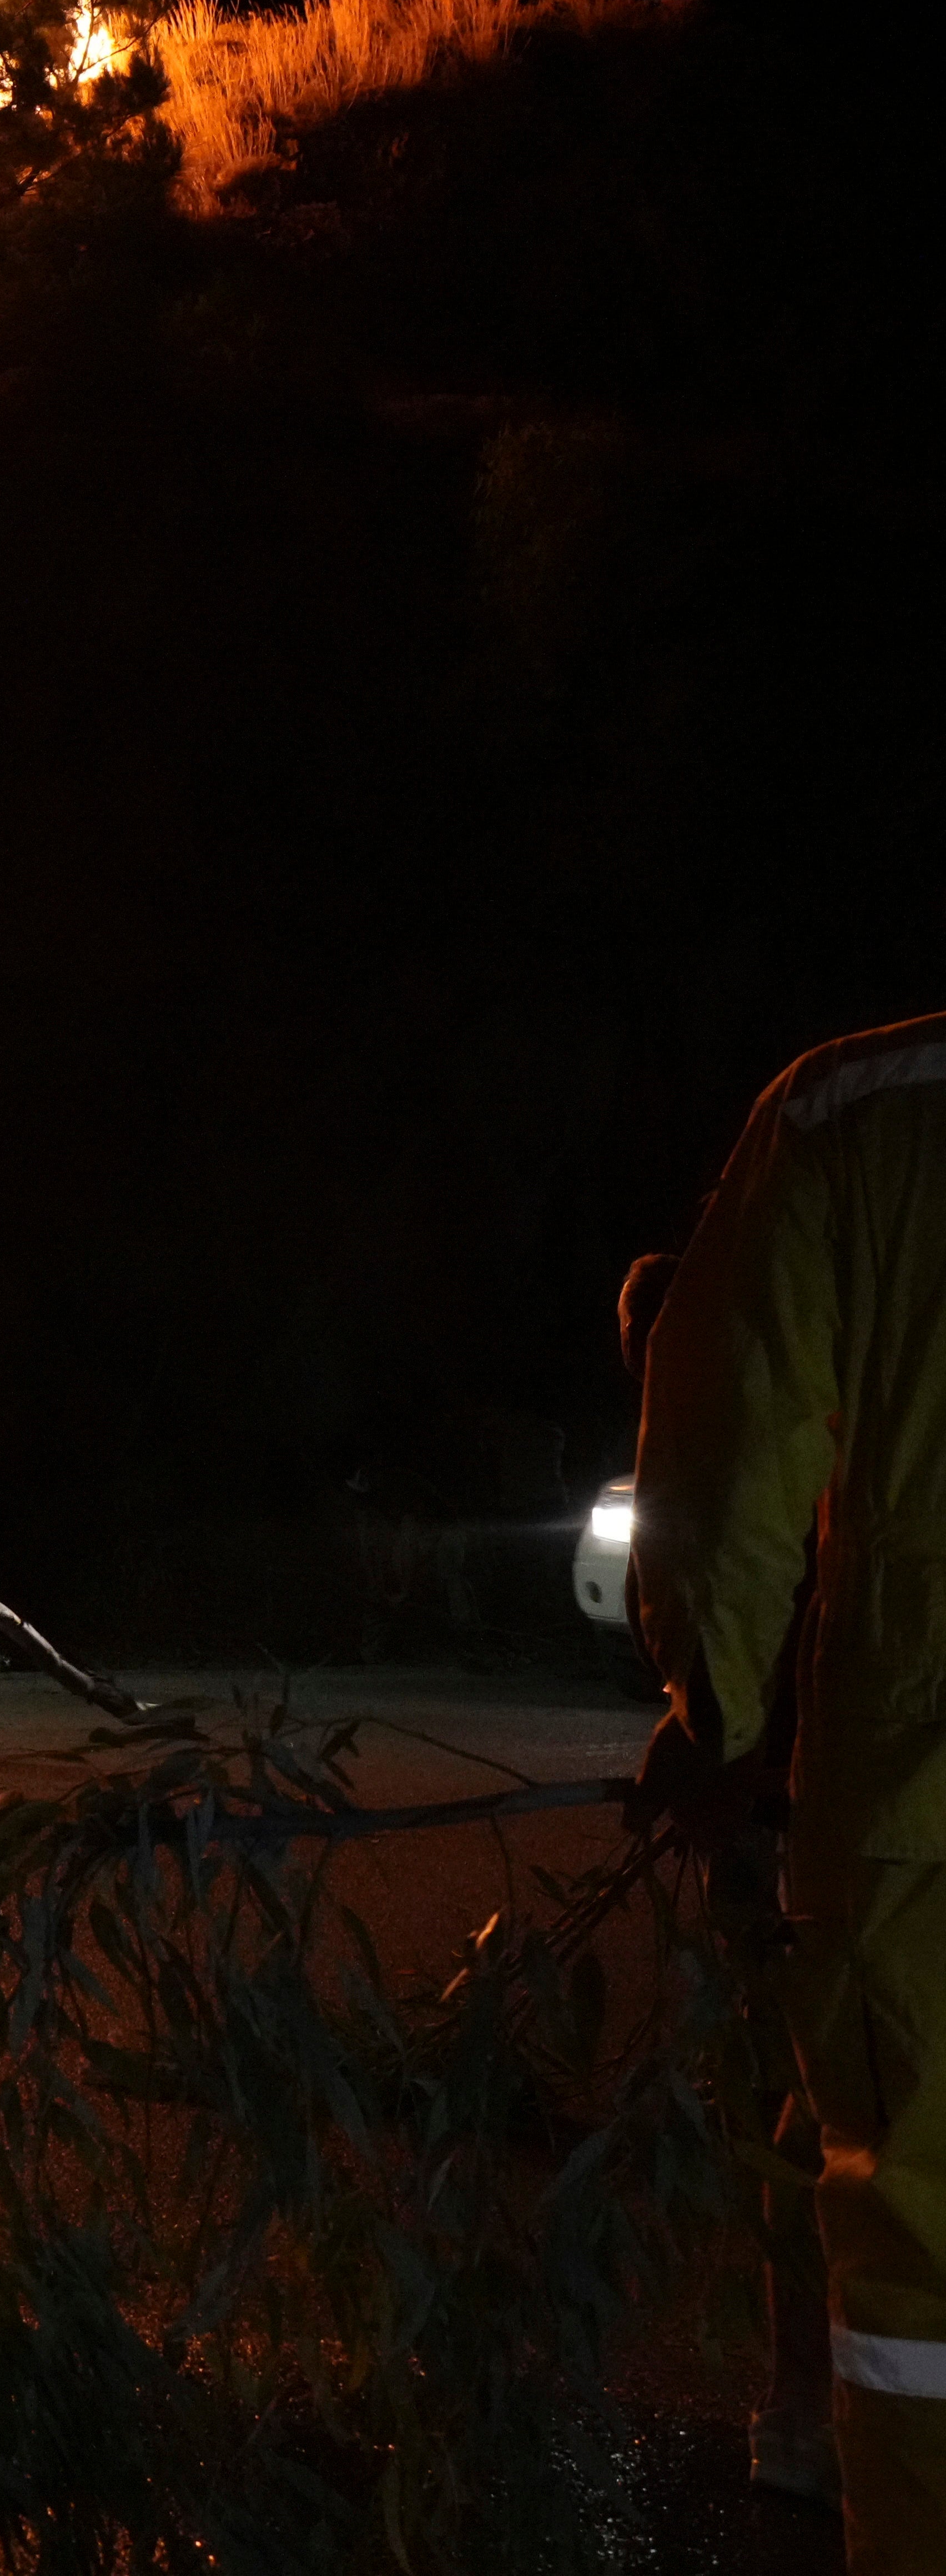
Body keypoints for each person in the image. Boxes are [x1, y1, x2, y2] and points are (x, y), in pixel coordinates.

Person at [632, 1019, 946, 2563]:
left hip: (925, 1820)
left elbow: (727, 1453)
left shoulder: (863, 1117)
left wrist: (718, 1720)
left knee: (921, 2284)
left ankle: (832, 2458)